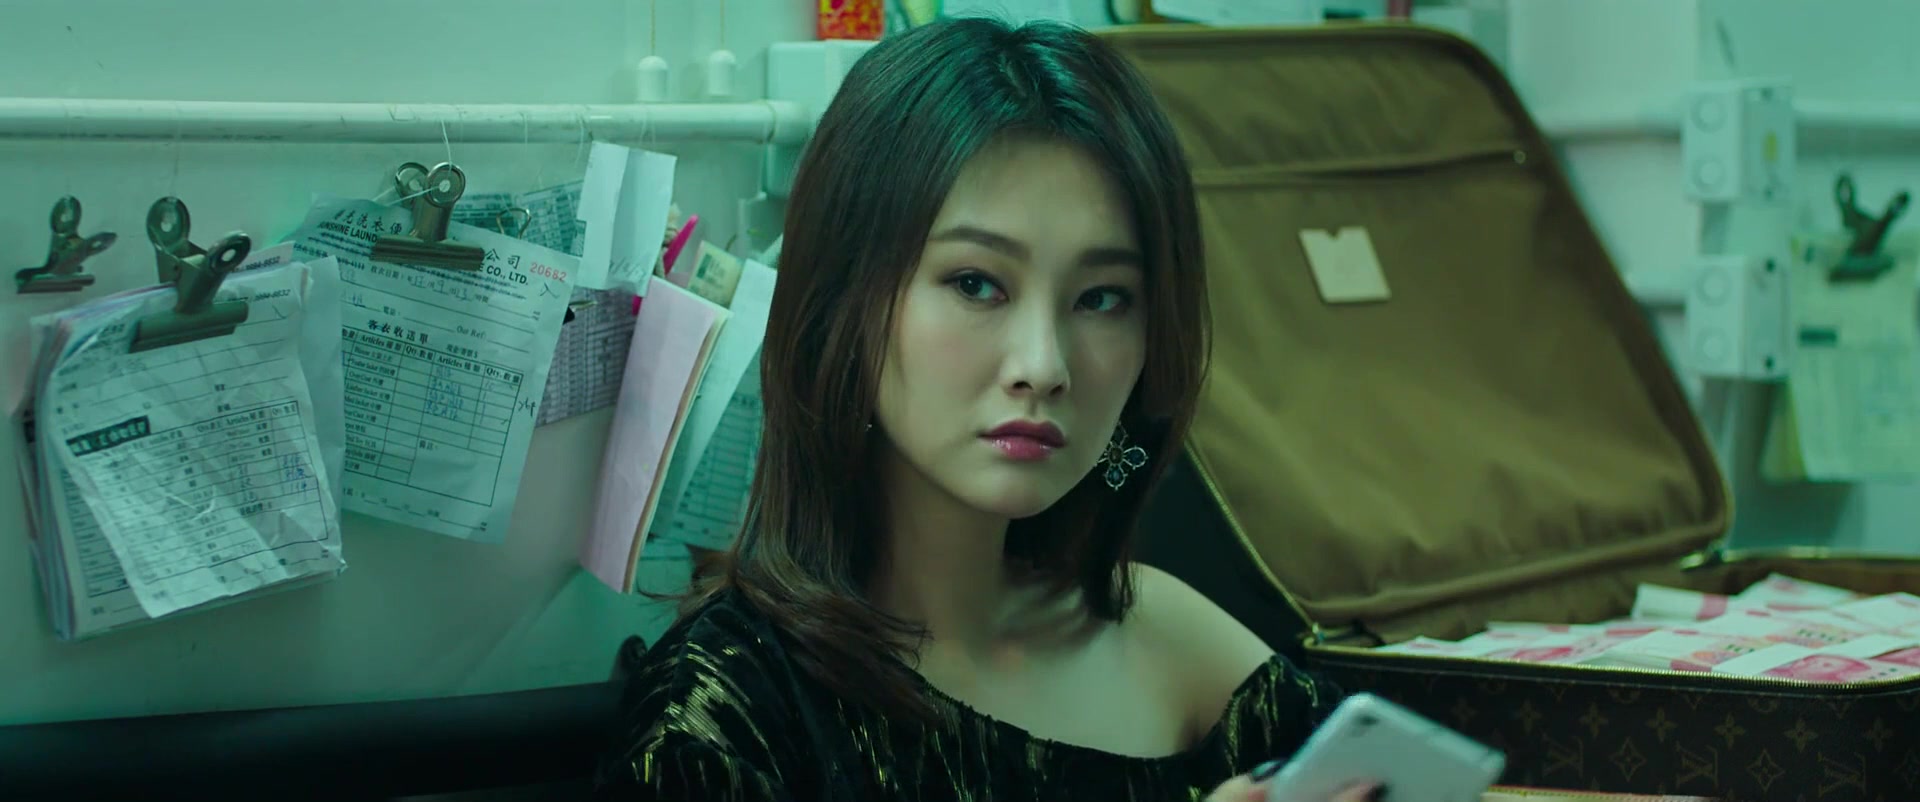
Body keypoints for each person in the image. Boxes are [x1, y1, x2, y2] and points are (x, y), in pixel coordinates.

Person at [594, 17, 1377, 802]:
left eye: (1102, 298)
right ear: (844, 304)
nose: (1043, 366)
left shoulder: (1167, 634)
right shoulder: (723, 714)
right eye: (976, 284)